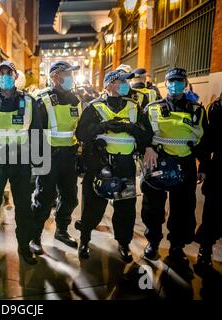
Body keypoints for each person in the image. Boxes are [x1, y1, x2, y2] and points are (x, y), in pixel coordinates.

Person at [75, 70, 153, 261]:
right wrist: (102, 126)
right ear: (108, 84)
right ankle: (84, 240)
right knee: (92, 206)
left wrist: (131, 128)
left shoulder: (135, 107)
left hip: (125, 165)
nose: (126, 84)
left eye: (127, 81)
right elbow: (81, 134)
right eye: (121, 81)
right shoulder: (94, 107)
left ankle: (124, 243)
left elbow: (147, 135)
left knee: (125, 208)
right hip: (99, 164)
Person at [141, 68, 209, 266]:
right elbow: (143, 132)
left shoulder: (197, 109)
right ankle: (153, 242)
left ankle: (176, 246)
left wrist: (203, 165)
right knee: (152, 207)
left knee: (183, 209)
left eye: (179, 81)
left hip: (185, 164)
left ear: (185, 83)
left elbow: (203, 140)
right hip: (158, 162)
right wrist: (148, 147)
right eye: (171, 80)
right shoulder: (152, 108)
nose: (175, 84)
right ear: (166, 82)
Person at [0, 61, 42, 265]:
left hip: (21, 162)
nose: (5, 76)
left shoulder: (29, 102)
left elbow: (37, 133)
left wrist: (37, 163)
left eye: (9, 73)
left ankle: (24, 246)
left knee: (24, 207)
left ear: (16, 77)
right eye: (2, 73)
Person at [30, 61, 81, 255]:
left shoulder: (75, 100)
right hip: (48, 157)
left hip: (68, 157)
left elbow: (78, 129)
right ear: (54, 77)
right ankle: (34, 237)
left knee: (70, 197)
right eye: (66, 73)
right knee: (43, 199)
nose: (70, 77)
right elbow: (33, 131)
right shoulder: (41, 99)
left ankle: (61, 231)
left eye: (71, 73)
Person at [194, 92, 222, 275]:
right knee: (213, 211)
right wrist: (203, 166)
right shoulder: (218, 108)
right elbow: (209, 139)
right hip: (220, 169)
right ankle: (205, 249)